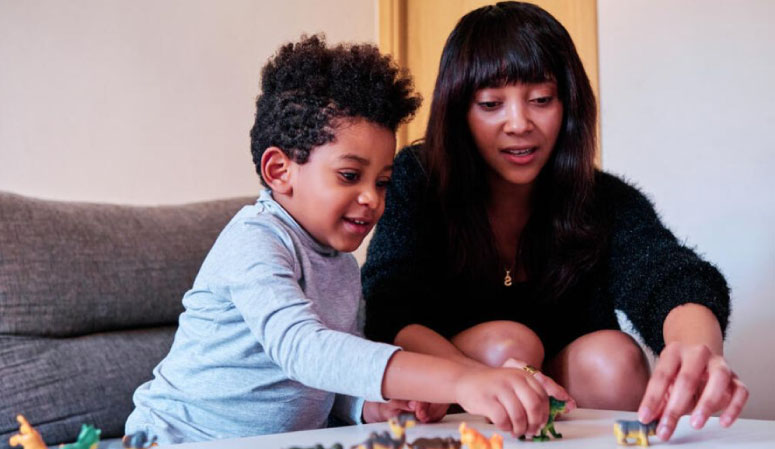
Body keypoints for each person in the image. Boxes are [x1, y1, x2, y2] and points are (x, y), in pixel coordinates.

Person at [125, 34, 572, 444]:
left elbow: (321, 382)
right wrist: (462, 380)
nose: (371, 199)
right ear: (280, 170)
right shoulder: (255, 242)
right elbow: (305, 352)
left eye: (382, 182)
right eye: (349, 175)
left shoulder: (339, 265)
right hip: (179, 438)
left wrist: (367, 405)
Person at [362, 2, 748, 443]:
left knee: (615, 358)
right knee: (508, 345)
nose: (519, 124)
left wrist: (696, 348)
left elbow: (667, 273)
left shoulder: (600, 198)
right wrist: (481, 379)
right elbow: (387, 310)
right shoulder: (418, 177)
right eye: (490, 104)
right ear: (458, 112)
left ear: (568, 105)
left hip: (569, 396)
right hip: (443, 393)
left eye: (541, 100)